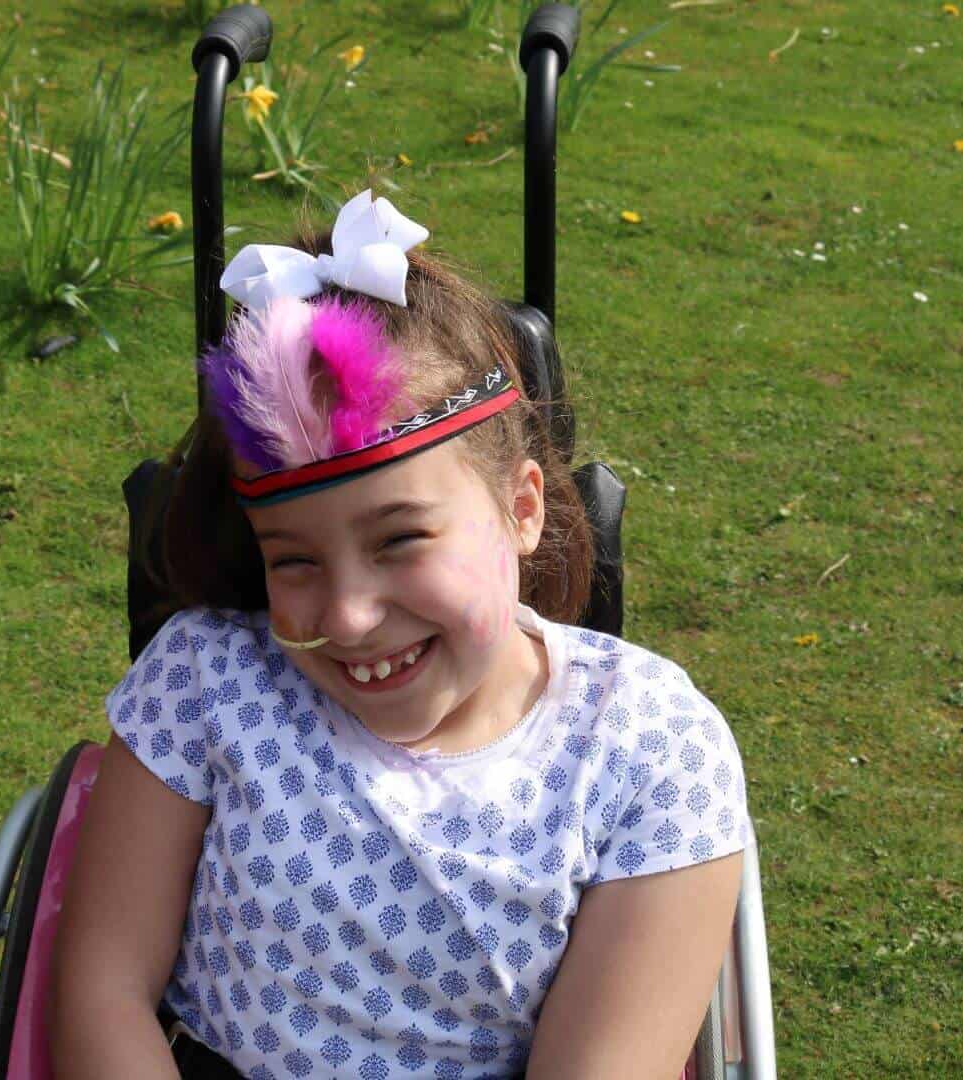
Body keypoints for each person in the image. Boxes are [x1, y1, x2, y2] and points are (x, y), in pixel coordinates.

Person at [53, 190, 750, 1079]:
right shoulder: (203, 684)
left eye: (399, 540)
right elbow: (102, 992)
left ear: (522, 506)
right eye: (294, 561)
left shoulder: (650, 752)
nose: (345, 616)